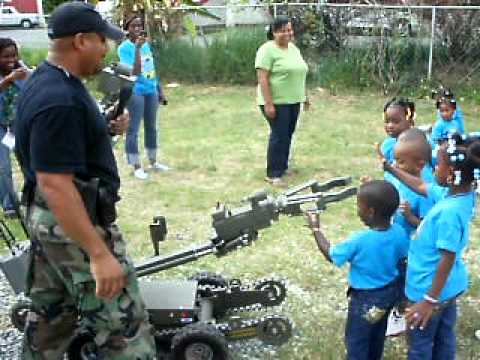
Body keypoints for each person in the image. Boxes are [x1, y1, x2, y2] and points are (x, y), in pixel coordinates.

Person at [15, 2, 156, 359]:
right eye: (101, 41)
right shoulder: (58, 99)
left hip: (50, 223)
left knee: (51, 316)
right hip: (72, 221)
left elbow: (59, 151)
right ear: (80, 41)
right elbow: (55, 182)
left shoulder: (46, 80)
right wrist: (99, 253)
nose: (106, 49)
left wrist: (104, 129)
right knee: (123, 326)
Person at [383, 132, 479, 360]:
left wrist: (428, 301)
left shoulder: (449, 212)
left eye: (438, 165)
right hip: (448, 289)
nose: (433, 169)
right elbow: (420, 185)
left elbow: (446, 258)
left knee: (420, 344)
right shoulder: (457, 195)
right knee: (444, 336)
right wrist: (391, 168)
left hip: (429, 290)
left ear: (452, 175)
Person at [306, 180, 409, 360]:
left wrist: (315, 228)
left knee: (357, 340)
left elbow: (332, 254)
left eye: (359, 206)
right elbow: (403, 262)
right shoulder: (400, 232)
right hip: (389, 294)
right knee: (377, 334)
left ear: (370, 211)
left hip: (364, 299)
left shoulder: (360, 240)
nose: (357, 210)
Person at [255, 15, 309, 186]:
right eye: (283, 30)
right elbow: (262, 78)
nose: (287, 33)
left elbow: (299, 74)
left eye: (289, 29)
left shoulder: (293, 49)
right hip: (276, 101)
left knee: (288, 134)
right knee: (279, 135)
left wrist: (305, 96)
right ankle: (273, 173)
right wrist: (269, 103)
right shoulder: (266, 50)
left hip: (294, 100)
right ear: (274, 32)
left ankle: (283, 167)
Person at [118, 15, 169, 180]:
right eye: (134, 26)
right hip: (135, 91)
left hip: (150, 89)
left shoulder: (145, 44)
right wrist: (138, 49)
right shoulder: (124, 48)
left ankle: (153, 162)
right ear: (127, 29)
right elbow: (135, 72)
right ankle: (136, 165)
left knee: (152, 127)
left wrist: (159, 90)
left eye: (140, 26)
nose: (138, 29)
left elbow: (151, 69)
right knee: (133, 129)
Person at [0, 38, 29, 218]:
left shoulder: (22, 73)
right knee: (3, 167)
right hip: (0, 126)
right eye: (5, 56)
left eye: (14, 55)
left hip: (18, 125)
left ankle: (31, 197)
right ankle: (10, 205)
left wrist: (26, 74)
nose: (11, 59)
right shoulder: (11, 76)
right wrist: (8, 80)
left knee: (28, 162)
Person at [379, 97, 415, 165]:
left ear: (410, 122)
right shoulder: (387, 145)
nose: (390, 126)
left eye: (396, 122)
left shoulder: (419, 145)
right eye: (387, 121)